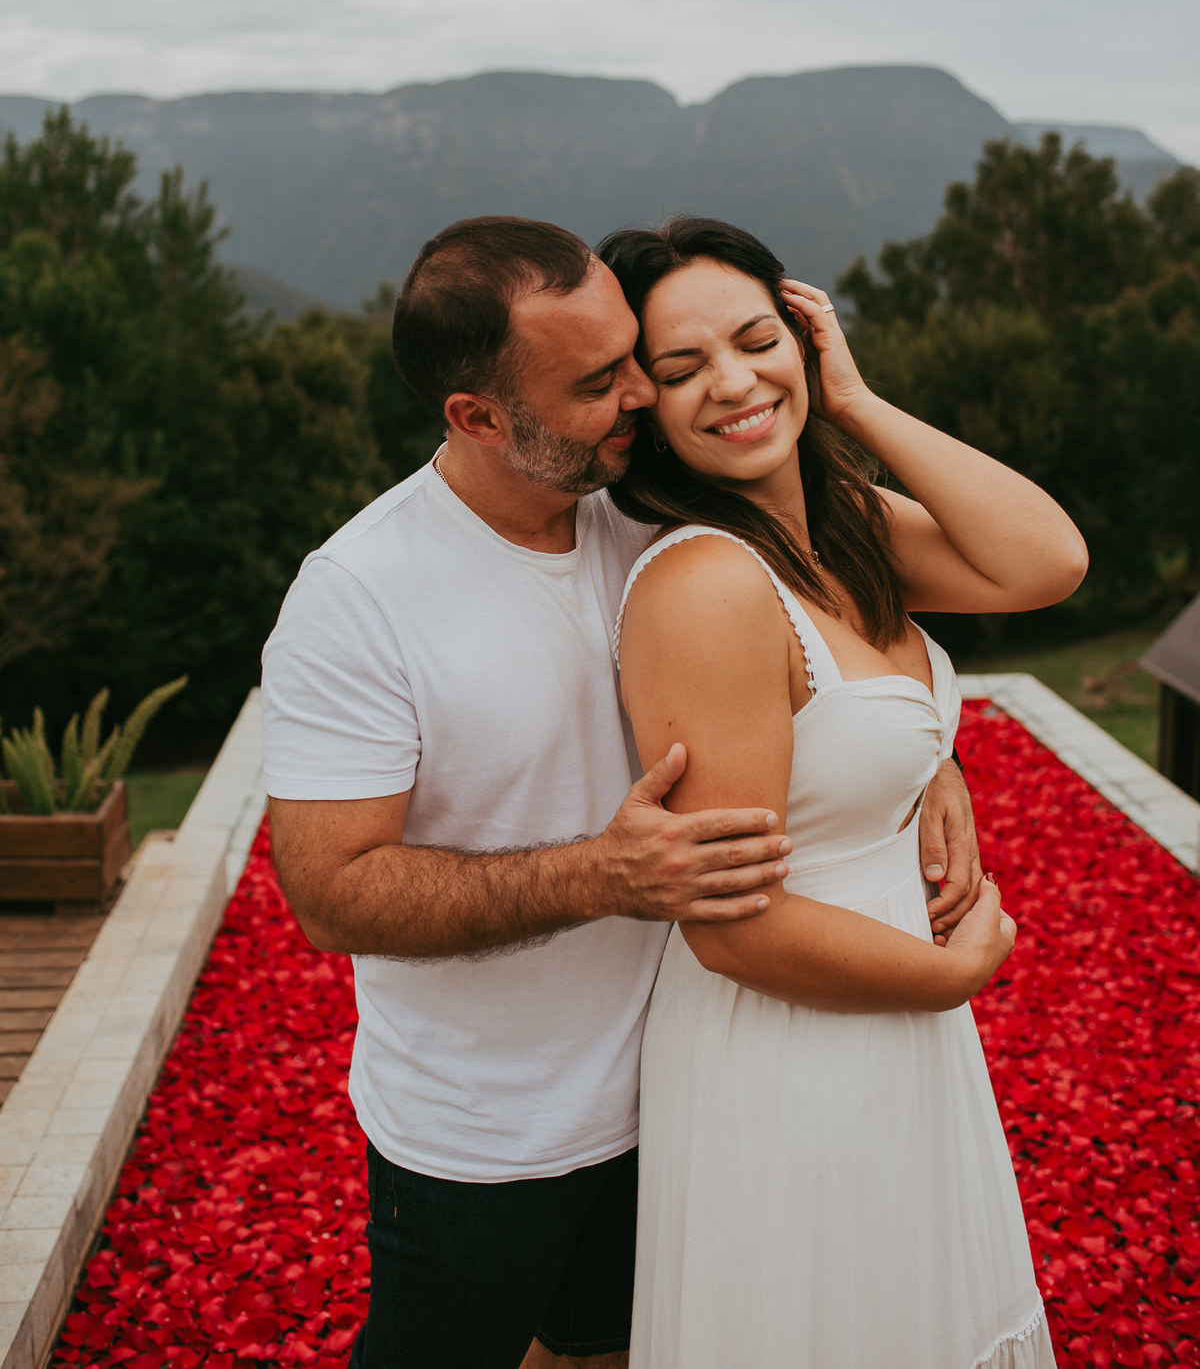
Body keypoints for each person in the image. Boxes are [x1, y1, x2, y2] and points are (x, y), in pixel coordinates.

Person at [263, 215, 988, 1369]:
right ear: (479, 417)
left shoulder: (650, 512)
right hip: (490, 1133)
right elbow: (332, 893)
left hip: (690, 1085)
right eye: (600, 382)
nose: (646, 395)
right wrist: (605, 873)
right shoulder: (359, 596)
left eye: (632, 355)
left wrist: (925, 755)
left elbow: (822, 651)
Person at [600, 216, 1087, 1369]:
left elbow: (1046, 561)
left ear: (804, 336)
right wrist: (950, 974)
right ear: (646, 406)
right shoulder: (710, 580)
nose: (733, 382)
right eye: (682, 369)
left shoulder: (837, 530)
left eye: (758, 337)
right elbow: (731, 925)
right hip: (787, 1048)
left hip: (890, 1026)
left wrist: (857, 401)